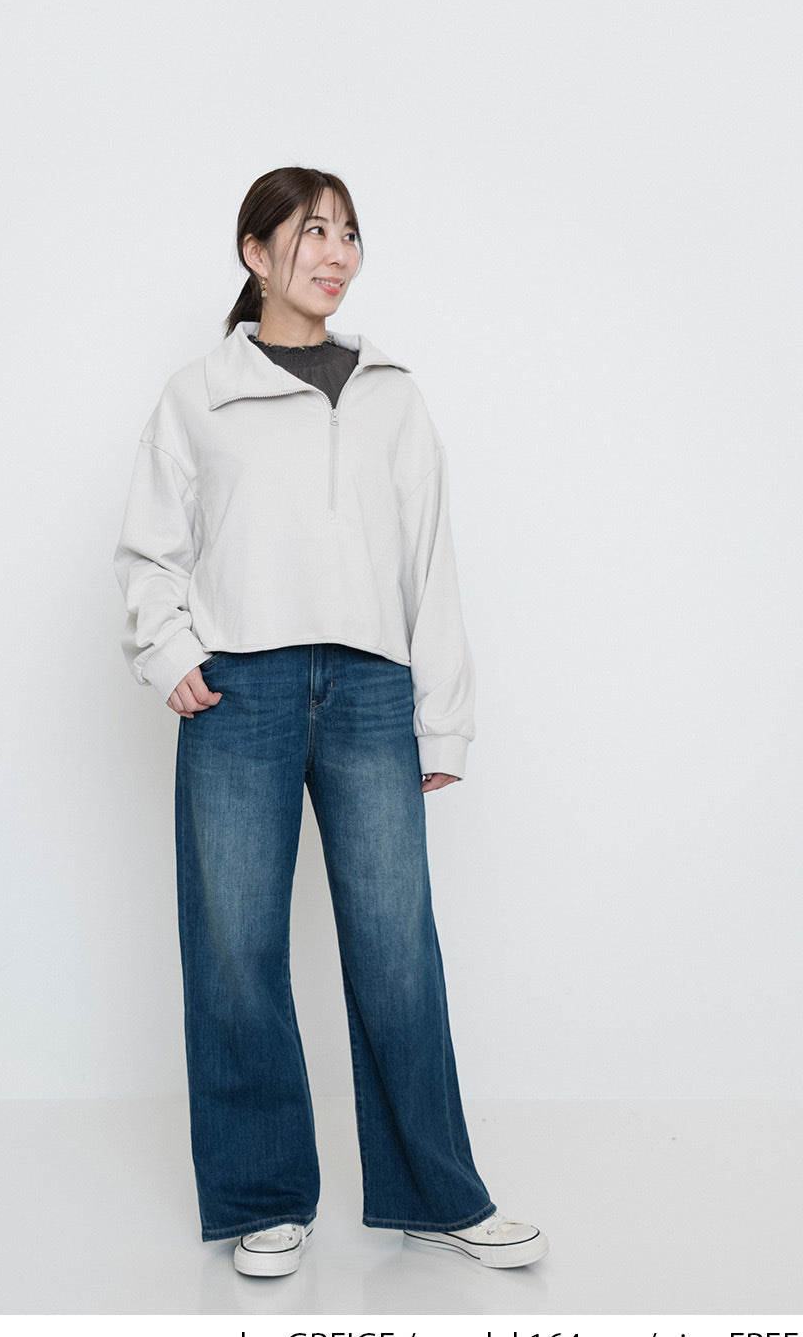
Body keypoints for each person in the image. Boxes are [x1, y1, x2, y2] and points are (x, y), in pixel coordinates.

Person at [114, 166, 548, 1277]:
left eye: (350, 234)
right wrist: (169, 652)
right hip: (239, 692)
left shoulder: (393, 393)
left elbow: (429, 561)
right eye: (313, 233)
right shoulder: (199, 395)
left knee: (398, 947)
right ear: (256, 254)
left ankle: (434, 1195)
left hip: (370, 692)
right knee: (236, 948)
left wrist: (442, 721)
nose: (337, 254)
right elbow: (150, 546)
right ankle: (264, 1196)